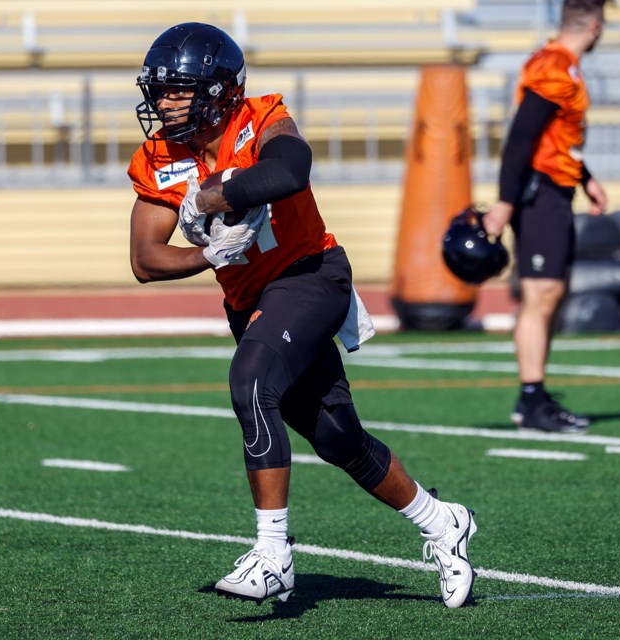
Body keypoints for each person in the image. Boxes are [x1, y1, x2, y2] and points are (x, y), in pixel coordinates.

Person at [127, 22, 476, 608]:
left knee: (250, 381)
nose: (163, 102)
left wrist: (215, 194)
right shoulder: (158, 156)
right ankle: (443, 521)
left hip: (310, 276)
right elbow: (145, 258)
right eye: (158, 90)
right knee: (338, 438)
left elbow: (290, 169)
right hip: (250, 301)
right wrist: (207, 253)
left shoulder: (260, 117)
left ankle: (273, 556)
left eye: (178, 89)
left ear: (219, 90)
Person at [482, 0, 610, 434]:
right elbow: (521, 138)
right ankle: (532, 399)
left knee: (551, 294)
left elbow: (556, 137)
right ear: (595, 24)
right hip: (539, 193)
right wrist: (504, 201)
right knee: (541, 296)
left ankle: (534, 396)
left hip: (556, 188)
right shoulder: (554, 64)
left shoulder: (562, 63)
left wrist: (586, 177)